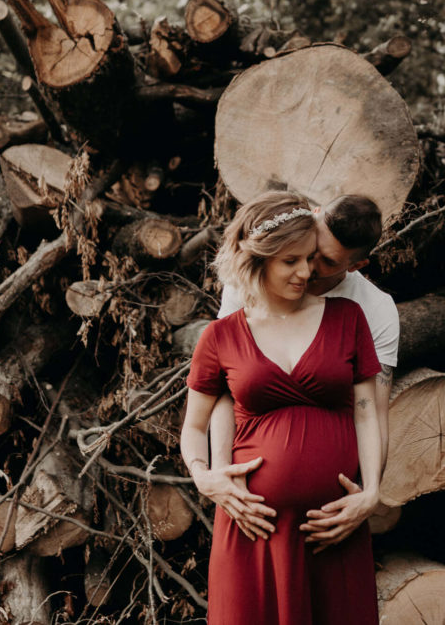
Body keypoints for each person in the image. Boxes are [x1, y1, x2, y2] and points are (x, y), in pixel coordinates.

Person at [180, 191, 382, 624]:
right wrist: (206, 478)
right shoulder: (220, 337)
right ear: (260, 260)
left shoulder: (349, 317)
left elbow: (367, 411)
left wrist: (371, 493)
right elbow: (194, 425)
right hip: (253, 527)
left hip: (332, 529)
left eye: (310, 259)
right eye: (291, 261)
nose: (306, 272)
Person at [211, 194, 399, 546]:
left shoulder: (374, 309)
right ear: (314, 217)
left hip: (331, 513)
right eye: (311, 249)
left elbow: (374, 409)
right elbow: (226, 387)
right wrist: (221, 472)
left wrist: (369, 493)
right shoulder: (251, 278)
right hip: (251, 500)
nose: (308, 269)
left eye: (326, 261)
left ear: (357, 265)